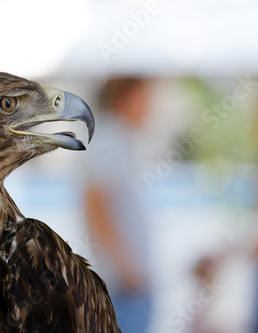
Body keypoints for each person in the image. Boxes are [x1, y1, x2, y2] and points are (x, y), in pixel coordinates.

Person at [83, 78, 153, 333]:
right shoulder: (110, 141)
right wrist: (127, 269)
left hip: (127, 283)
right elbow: (96, 205)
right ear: (126, 98)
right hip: (121, 286)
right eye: (145, 97)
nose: (151, 106)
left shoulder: (121, 140)